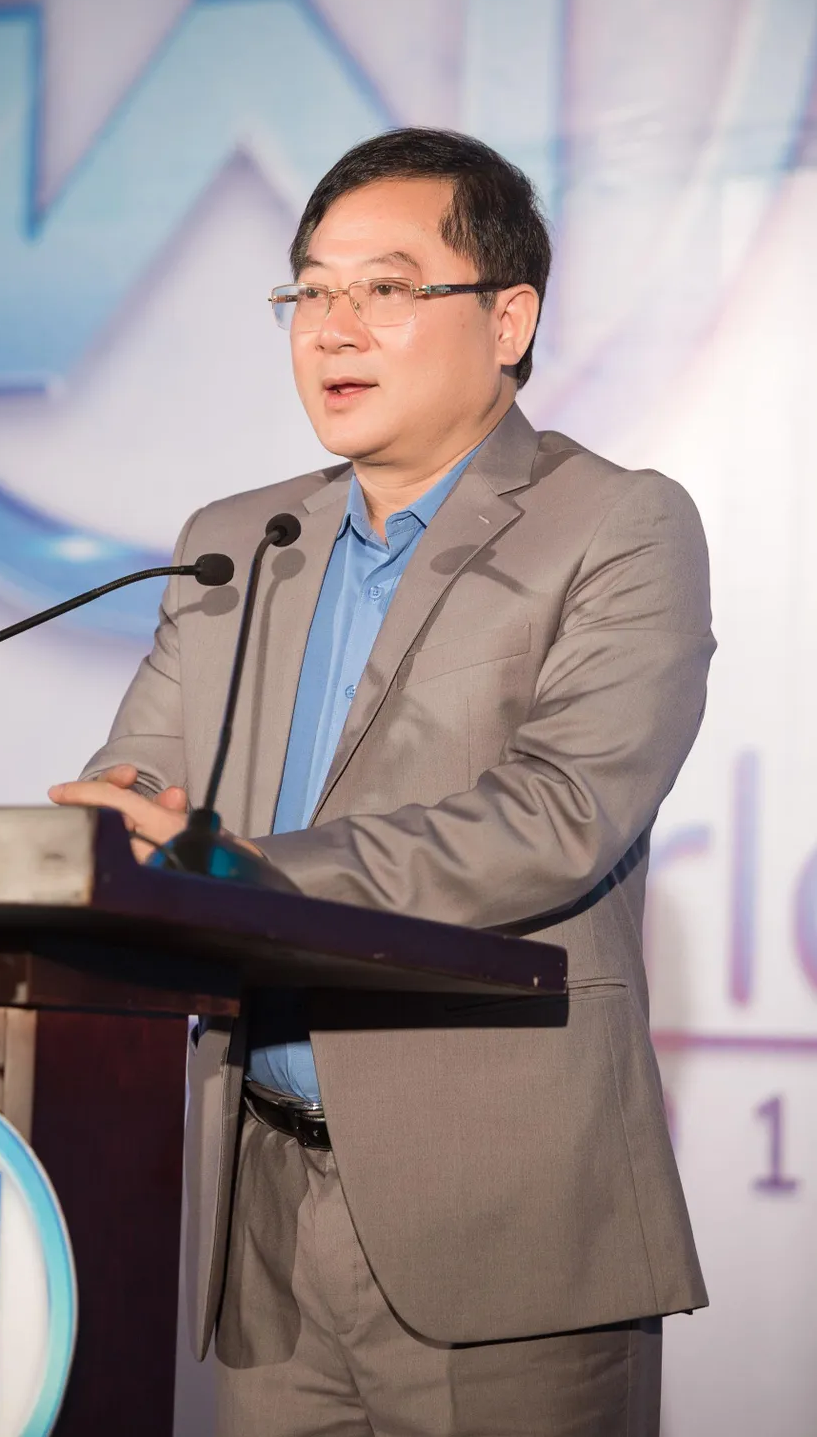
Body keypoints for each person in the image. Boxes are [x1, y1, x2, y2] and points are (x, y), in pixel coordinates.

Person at [50, 127, 713, 1436]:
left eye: (387, 289)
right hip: (261, 1220)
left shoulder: (618, 524)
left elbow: (559, 816)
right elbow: (138, 779)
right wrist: (117, 820)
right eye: (310, 292)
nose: (333, 329)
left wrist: (235, 872)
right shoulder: (239, 543)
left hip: (502, 1226)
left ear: (509, 319)